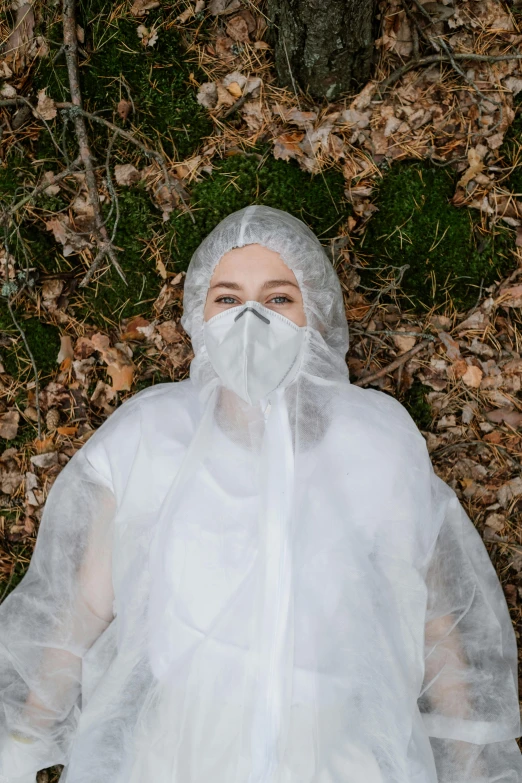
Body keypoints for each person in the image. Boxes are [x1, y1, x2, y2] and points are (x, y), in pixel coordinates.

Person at [0, 205, 520, 783]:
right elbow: (80, 611)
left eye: (278, 299)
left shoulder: (376, 443)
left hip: (336, 758)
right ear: (199, 315)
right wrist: (19, 741)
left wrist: (474, 761)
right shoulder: (151, 436)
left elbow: (436, 621)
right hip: (176, 758)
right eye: (227, 299)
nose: (251, 320)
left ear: (315, 315)